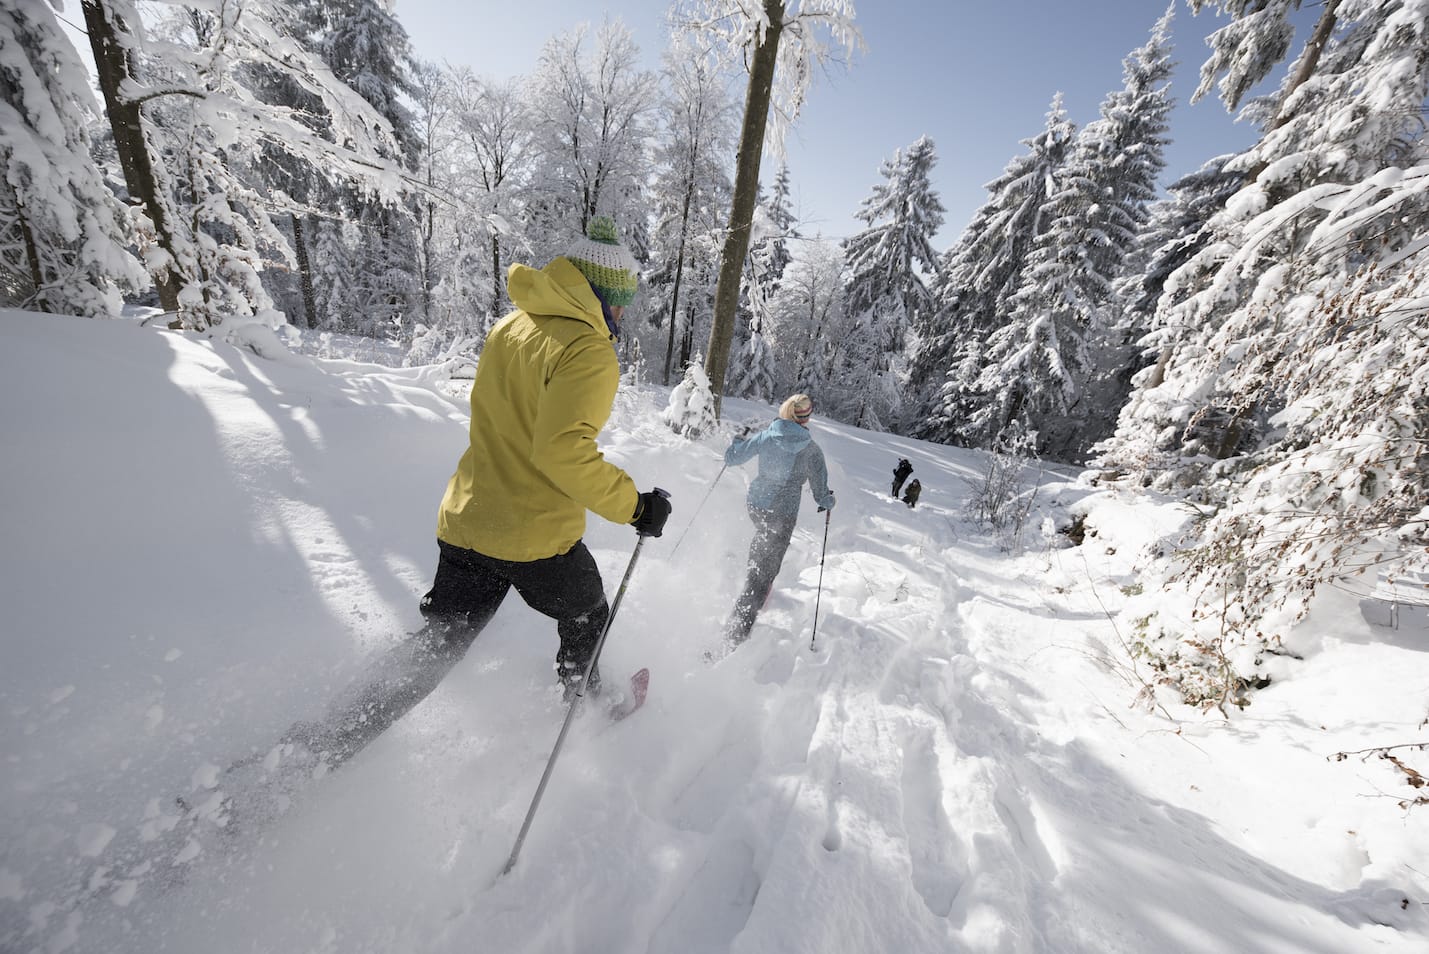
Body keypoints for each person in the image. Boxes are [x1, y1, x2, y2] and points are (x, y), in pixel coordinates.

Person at [282, 216, 672, 772]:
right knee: (588, 612)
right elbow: (563, 451)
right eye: (620, 301)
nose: (623, 314)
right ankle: (583, 707)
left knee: (436, 646)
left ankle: (313, 750)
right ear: (601, 295)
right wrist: (636, 507)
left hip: (467, 519)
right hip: (533, 535)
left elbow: (505, 423)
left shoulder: (513, 326)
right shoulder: (587, 349)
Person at [721, 393, 835, 647]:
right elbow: (820, 494)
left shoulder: (767, 436)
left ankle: (758, 567)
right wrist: (828, 501)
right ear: (805, 417)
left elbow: (733, 458)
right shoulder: (811, 450)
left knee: (764, 543)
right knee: (761, 574)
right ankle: (734, 635)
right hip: (782, 515)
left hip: (756, 505)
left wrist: (737, 441)